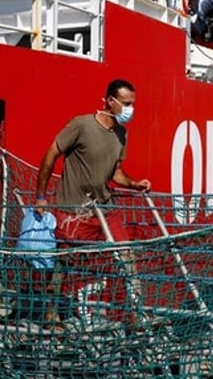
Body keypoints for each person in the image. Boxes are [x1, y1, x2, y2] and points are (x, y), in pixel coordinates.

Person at [35, 79, 151, 321]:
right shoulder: (82, 125)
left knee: (127, 258)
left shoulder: (121, 133)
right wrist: (41, 197)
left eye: (133, 104)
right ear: (111, 101)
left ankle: (134, 315)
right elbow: (50, 155)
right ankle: (52, 314)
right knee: (66, 264)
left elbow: (116, 172)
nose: (131, 109)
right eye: (127, 104)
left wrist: (134, 183)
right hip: (73, 211)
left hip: (105, 210)